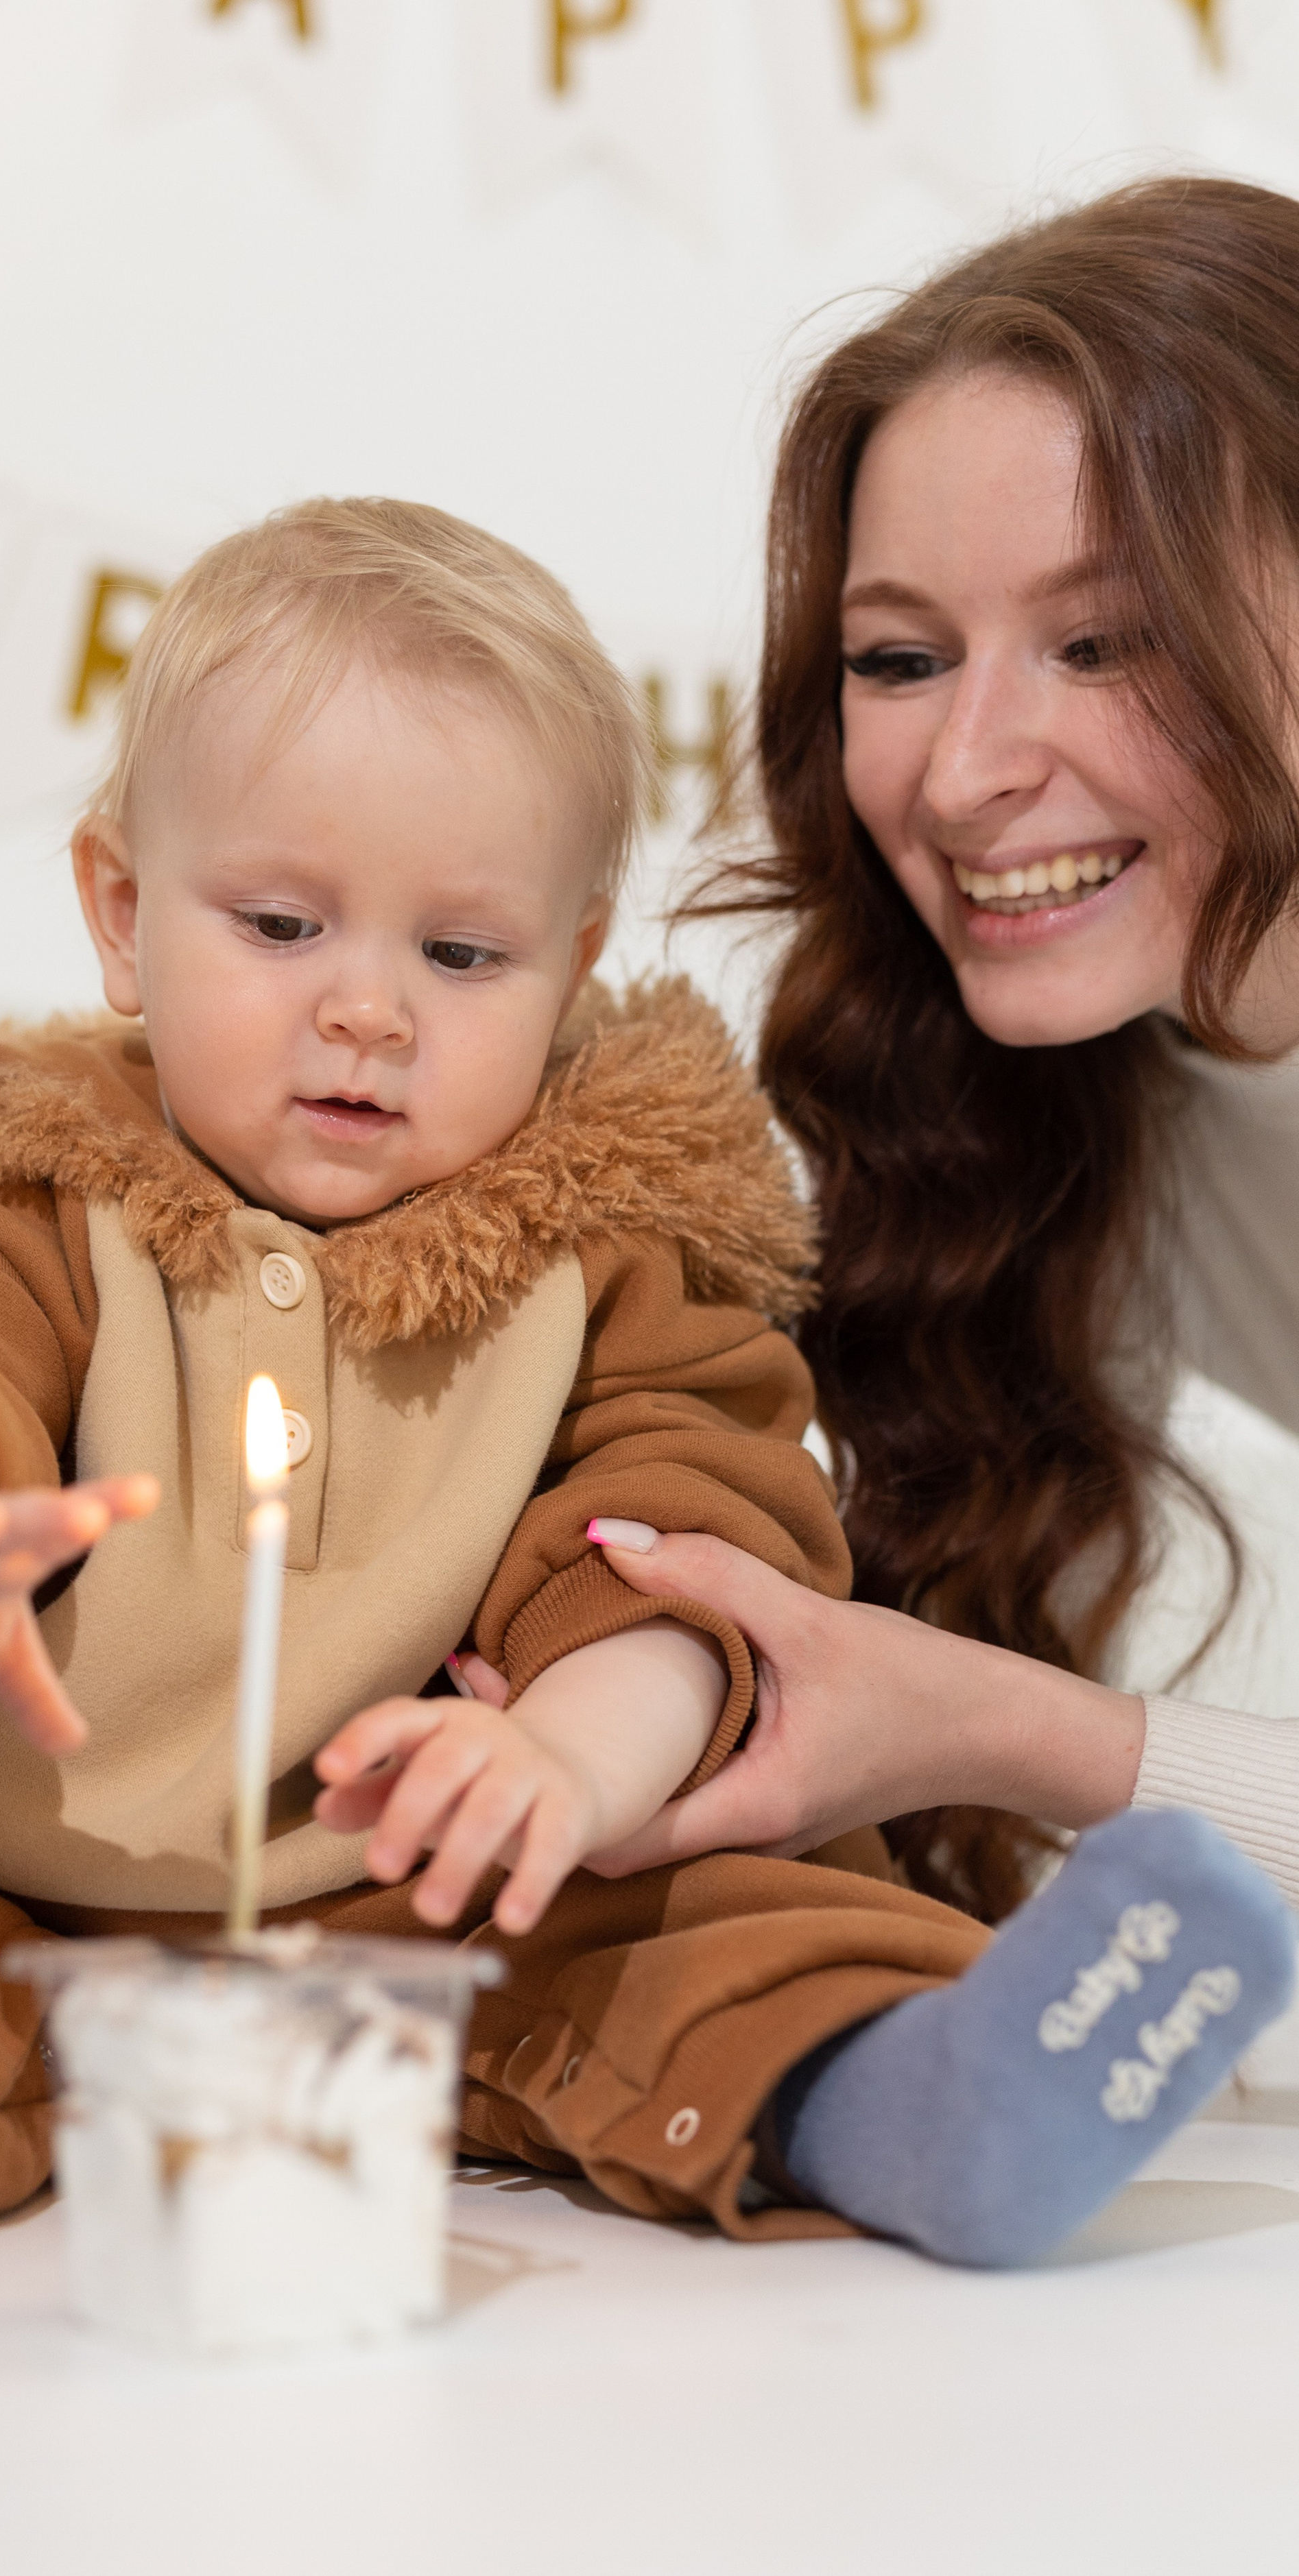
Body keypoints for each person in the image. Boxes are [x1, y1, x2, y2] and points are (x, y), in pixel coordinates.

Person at [0, 499, 1287, 2278]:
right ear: (123, 915)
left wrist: (566, 1762)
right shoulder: (23, 1188)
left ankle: (938, 2096)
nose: (369, 1009)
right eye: (282, 923)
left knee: (724, 1929)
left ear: (572, 967)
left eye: (460, 956)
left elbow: (679, 1548)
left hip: (454, 1892)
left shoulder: (612, 1254)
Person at [596, 177, 1299, 1919]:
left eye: (1100, 641)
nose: (966, 769)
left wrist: (1006, 1731)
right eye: (900, 658)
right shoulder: (1016, 1123)